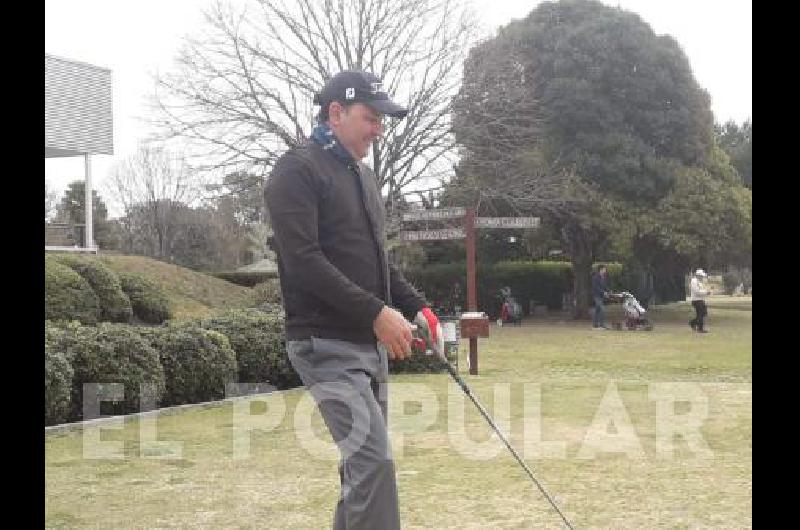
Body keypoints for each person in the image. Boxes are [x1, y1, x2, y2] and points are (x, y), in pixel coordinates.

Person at [265, 70, 442, 530]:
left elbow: (377, 262)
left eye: (381, 119)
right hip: (323, 343)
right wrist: (377, 313)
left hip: (367, 346)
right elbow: (303, 260)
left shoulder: (362, 177)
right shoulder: (296, 170)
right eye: (370, 117)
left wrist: (417, 306)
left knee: (361, 470)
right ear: (336, 113)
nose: (378, 129)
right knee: (373, 464)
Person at [689, 268, 713, 333]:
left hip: (701, 300)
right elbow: (697, 291)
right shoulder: (694, 281)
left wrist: (706, 292)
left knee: (704, 313)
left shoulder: (699, 282)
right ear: (698, 275)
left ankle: (693, 323)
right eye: (701, 276)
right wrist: (706, 292)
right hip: (696, 300)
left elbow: (701, 291)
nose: (702, 277)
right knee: (700, 314)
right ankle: (700, 328)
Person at [592, 265, 610, 329]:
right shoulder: (596, 277)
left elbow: (605, 286)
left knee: (597, 310)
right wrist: (603, 292)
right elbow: (596, 287)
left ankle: (595, 324)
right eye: (604, 269)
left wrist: (609, 291)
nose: (605, 271)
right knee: (602, 309)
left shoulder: (604, 277)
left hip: (601, 296)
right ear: (601, 270)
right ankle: (601, 324)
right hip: (597, 295)